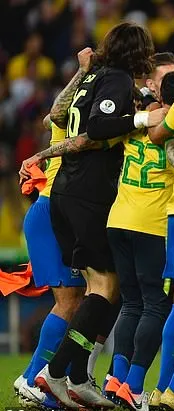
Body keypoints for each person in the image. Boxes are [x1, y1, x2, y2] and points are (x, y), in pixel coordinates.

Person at [31, 22, 162, 410]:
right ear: (136, 52)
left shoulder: (93, 77)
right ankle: (54, 373)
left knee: (97, 288)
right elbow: (100, 126)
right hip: (88, 194)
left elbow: (56, 115)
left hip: (66, 191)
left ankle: (75, 378)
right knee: (106, 289)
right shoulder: (117, 78)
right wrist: (141, 120)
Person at [106, 70, 174, 410]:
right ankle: (136, 384)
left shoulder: (134, 127)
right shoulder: (173, 133)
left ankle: (117, 379)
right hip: (153, 228)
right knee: (156, 305)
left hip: (118, 221)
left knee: (130, 304)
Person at [14, 47, 93, 410]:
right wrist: (83, 72)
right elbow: (50, 118)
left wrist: (80, 72)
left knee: (78, 301)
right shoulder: (86, 114)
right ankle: (35, 379)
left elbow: (51, 117)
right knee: (69, 302)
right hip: (54, 209)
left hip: (56, 209)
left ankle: (45, 378)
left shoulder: (69, 112)